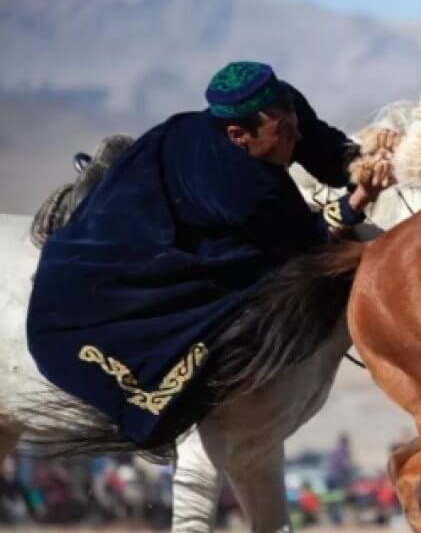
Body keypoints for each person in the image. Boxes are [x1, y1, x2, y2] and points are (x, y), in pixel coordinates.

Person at [26, 62, 396, 452]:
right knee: (238, 291)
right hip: (142, 241)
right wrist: (360, 198)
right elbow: (310, 238)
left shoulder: (280, 106)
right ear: (238, 135)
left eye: (293, 122)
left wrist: (360, 159)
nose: (296, 134)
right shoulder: (243, 188)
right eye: (284, 132)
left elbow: (319, 144)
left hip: (182, 172)